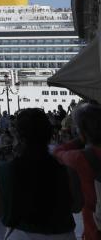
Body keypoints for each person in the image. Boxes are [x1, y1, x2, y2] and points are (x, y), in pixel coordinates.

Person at [0, 109, 81, 240]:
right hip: (62, 235)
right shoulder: (68, 171)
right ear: (49, 135)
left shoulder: (3, 172)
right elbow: (77, 206)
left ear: (18, 138)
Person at [54, 103, 101, 240]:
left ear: (82, 131)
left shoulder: (80, 158)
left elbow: (58, 152)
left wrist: (81, 139)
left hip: (95, 231)